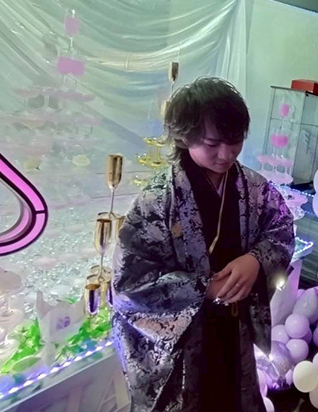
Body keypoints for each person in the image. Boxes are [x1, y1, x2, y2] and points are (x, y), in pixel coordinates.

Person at [112, 77, 295, 412]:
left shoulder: (254, 188)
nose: (226, 154)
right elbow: (129, 284)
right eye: (212, 144)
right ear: (185, 137)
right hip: (185, 342)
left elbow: (281, 228)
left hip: (235, 329)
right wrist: (202, 289)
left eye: (235, 141)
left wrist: (256, 260)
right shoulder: (157, 200)